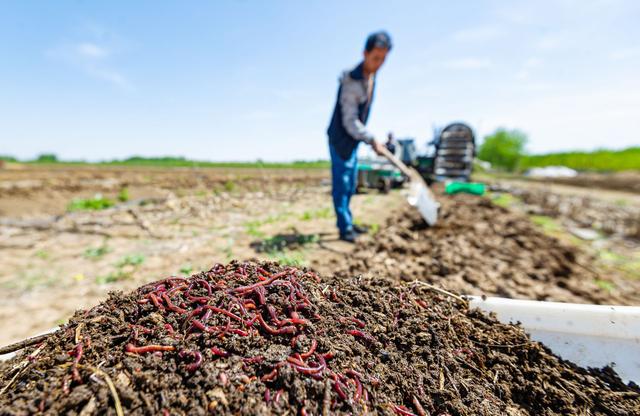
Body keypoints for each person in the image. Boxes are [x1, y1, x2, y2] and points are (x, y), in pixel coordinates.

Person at [327, 31, 392, 242]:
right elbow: (349, 121)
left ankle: (348, 222)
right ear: (365, 53)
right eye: (375, 58)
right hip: (340, 138)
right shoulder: (352, 81)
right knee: (342, 183)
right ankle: (344, 228)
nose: (379, 63)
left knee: (351, 182)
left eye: (383, 59)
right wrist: (372, 140)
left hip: (353, 139)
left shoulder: (370, 78)